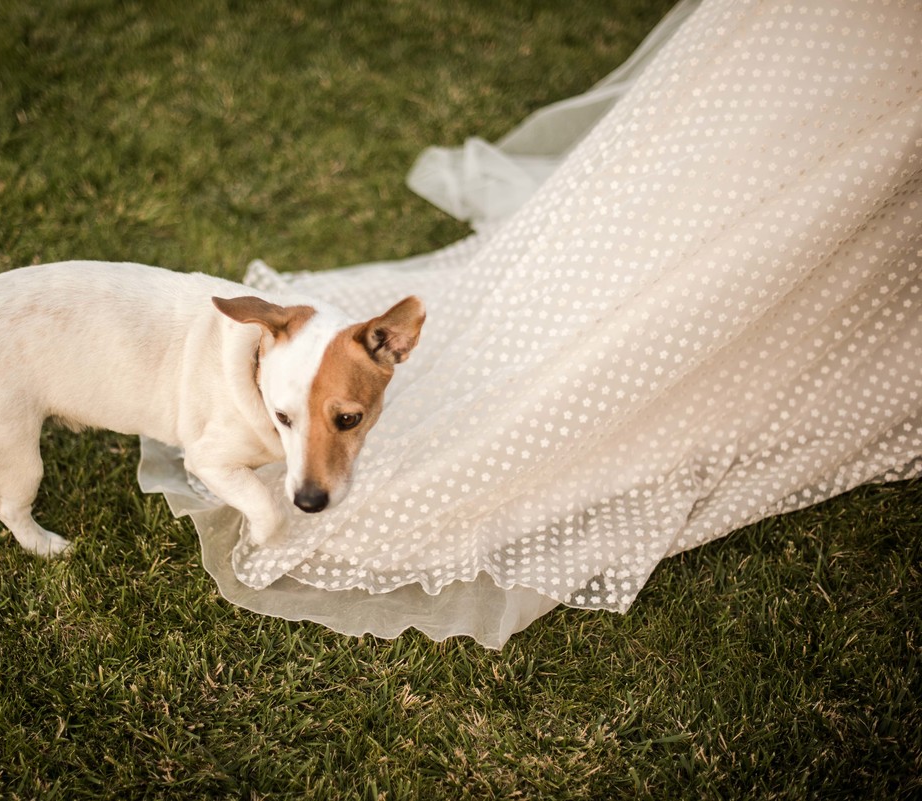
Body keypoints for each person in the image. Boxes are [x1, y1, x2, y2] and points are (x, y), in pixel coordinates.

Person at [140, 0, 922, 648]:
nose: (308, 466)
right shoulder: (313, 367)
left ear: (396, 345)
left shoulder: (378, 345)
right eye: (293, 420)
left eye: (342, 420)